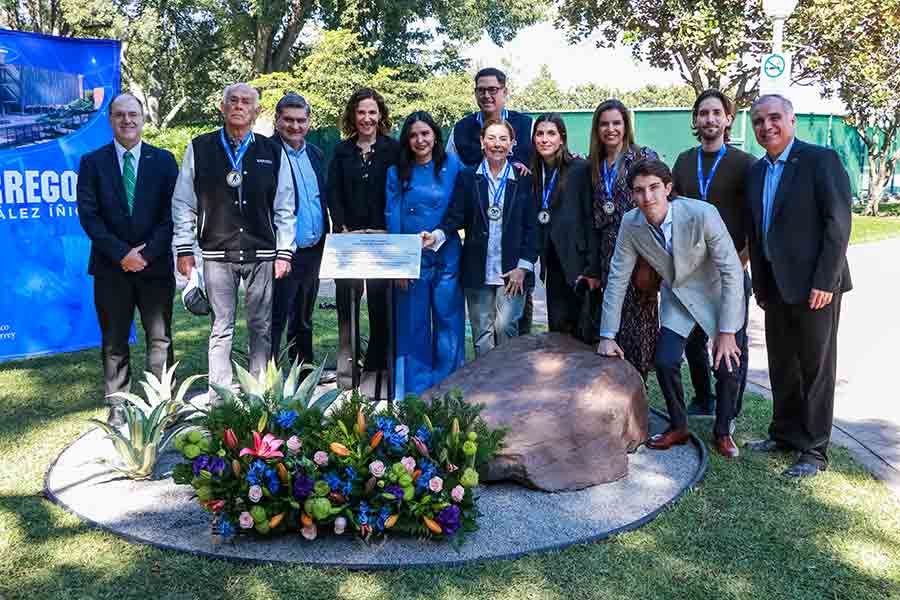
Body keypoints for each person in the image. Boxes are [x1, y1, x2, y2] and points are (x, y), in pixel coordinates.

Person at [597, 159, 745, 458]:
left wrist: (726, 331)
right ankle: (679, 426)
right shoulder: (631, 223)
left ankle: (723, 430)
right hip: (678, 296)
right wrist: (607, 334)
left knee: (727, 366)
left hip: (720, 293)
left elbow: (732, 271)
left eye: (654, 188)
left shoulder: (702, 214)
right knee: (665, 361)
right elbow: (617, 279)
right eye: (639, 191)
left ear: (668, 188)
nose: (647, 197)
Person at [744, 94, 852, 478]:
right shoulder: (756, 172)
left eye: (774, 118)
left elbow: (838, 224)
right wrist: (760, 282)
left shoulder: (820, 160)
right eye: (758, 120)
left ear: (790, 120)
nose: (766, 126)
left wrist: (826, 280)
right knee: (782, 364)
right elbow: (758, 233)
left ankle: (814, 451)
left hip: (816, 288)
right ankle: (784, 433)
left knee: (816, 368)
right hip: (775, 287)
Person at [173, 83, 296, 402]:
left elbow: (284, 205)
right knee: (221, 328)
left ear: (256, 112)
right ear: (222, 107)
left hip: (263, 251)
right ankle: (221, 397)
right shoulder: (199, 147)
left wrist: (285, 251)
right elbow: (184, 202)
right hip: (217, 252)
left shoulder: (272, 151)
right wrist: (184, 248)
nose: (239, 106)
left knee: (261, 326)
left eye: (246, 102)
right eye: (233, 101)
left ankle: (259, 393)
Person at [76, 93, 178, 426]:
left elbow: (171, 217)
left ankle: (161, 404)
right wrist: (122, 254)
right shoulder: (92, 163)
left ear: (143, 118)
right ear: (110, 119)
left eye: (133, 114)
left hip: (154, 266)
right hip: (111, 268)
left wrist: (145, 254)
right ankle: (119, 407)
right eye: (119, 115)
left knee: (160, 339)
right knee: (115, 340)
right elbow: (89, 217)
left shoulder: (164, 161)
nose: (127, 120)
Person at [671, 89, 756, 418]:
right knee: (692, 339)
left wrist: (739, 263)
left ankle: (729, 407)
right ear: (696, 120)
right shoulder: (684, 160)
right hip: (693, 272)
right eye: (703, 113)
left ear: (728, 119)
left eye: (716, 113)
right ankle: (703, 397)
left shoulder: (744, 164)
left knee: (733, 340)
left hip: (730, 269)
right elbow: (674, 212)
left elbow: (753, 220)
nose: (709, 119)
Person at [423, 119, 536, 357]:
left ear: (512, 144)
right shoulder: (468, 177)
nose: (497, 144)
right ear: (482, 142)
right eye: (492, 138)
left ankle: (506, 385)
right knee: (481, 332)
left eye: (503, 139)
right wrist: (436, 236)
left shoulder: (524, 179)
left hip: (512, 272)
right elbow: (456, 216)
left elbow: (532, 227)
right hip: (478, 269)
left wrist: (523, 268)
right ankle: (485, 390)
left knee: (506, 327)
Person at [447, 67, 535, 336]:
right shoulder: (461, 130)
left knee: (511, 326)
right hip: (479, 244)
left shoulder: (526, 125)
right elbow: (449, 172)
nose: (487, 95)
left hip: (513, 241)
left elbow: (549, 153)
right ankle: (483, 378)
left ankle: (513, 377)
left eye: (493, 89)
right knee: (482, 331)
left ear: (505, 92)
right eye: (481, 90)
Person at [386, 111, 465, 397]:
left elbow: (461, 207)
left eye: (425, 133)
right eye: (413, 135)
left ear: (435, 136)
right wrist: (400, 266)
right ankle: (413, 395)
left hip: (447, 257)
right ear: (406, 140)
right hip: (411, 260)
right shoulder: (396, 173)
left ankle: (451, 389)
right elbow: (392, 217)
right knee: (412, 325)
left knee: (449, 322)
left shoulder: (453, 166)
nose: (420, 140)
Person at [328, 88, 401, 390]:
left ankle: (376, 376)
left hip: (383, 242)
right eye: (361, 112)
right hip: (349, 241)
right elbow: (333, 193)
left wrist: (388, 229)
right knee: (347, 308)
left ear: (380, 115)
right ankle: (347, 378)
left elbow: (400, 191)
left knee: (381, 308)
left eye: (372, 112)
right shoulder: (342, 151)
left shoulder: (394, 150)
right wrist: (343, 228)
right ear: (352, 116)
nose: (367, 118)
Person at [583, 99, 660, 379]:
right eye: (604, 124)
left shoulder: (643, 158)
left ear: (626, 125)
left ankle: (639, 388)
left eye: (616, 122)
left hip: (640, 255)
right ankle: (615, 389)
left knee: (639, 328)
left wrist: (650, 260)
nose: (611, 129)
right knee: (610, 324)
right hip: (608, 255)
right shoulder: (593, 165)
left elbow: (660, 204)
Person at [268, 93, 331, 371]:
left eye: (301, 120)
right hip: (281, 251)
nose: (295, 126)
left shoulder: (316, 154)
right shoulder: (265, 152)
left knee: (304, 316)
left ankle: (303, 372)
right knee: (275, 317)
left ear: (309, 122)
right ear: (277, 120)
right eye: (288, 120)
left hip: (314, 249)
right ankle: (268, 379)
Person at [529, 113, 594, 335]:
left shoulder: (580, 169)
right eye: (539, 134)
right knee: (557, 331)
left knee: (582, 333)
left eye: (551, 133)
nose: (544, 139)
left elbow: (590, 219)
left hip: (577, 263)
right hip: (552, 261)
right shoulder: (536, 173)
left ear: (562, 139)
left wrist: (591, 266)